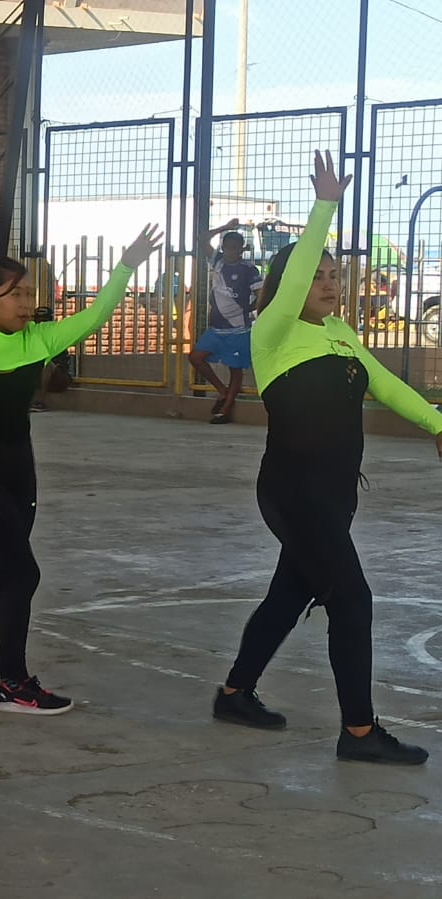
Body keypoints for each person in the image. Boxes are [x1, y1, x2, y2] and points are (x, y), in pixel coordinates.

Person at [214, 152, 437, 765]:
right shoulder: (273, 332)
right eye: (317, 276)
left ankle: (234, 694)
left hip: (335, 495)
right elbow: (291, 287)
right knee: (352, 599)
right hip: (295, 491)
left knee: (291, 594)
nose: (331, 284)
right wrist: (324, 208)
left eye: (335, 275)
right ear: (291, 284)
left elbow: (387, 387)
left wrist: (438, 424)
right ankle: (359, 733)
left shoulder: (342, 335)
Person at [0, 226, 163, 715]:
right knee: (22, 572)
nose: (26, 302)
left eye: (29, 293)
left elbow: (97, 314)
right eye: (15, 293)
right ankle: (14, 684)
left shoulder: (39, 339)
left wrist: (126, 265)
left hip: (20, 474)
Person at [191, 217, 263, 424]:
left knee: (235, 369)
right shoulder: (218, 261)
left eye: (235, 248)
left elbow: (261, 295)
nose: (231, 251)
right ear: (222, 248)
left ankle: (225, 410)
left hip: (238, 330)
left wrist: (247, 310)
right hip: (216, 329)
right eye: (227, 247)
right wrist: (225, 227)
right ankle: (222, 392)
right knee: (196, 357)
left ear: (242, 249)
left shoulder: (249, 270)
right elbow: (202, 239)